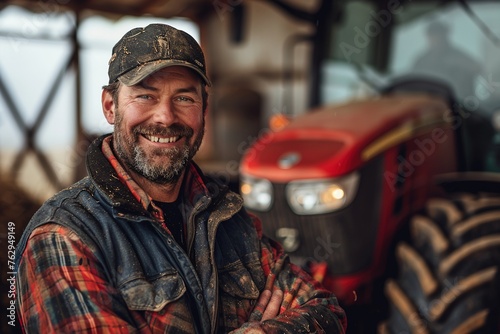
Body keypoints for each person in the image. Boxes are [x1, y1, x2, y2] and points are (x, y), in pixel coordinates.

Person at [15, 23, 347, 333]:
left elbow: (326, 311)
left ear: (204, 109)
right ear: (110, 106)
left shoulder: (228, 218)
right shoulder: (64, 238)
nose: (166, 117)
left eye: (184, 98)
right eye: (145, 95)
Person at [412, 21, 483, 101]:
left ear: (445, 35)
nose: (436, 39)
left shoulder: (459, 56)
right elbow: (413, 84)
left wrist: (461, 65)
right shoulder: (421, 62)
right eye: (433, 35)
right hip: (432, 107)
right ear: (428, 37)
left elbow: (478, 69)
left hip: (462, 106)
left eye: (439, 34)